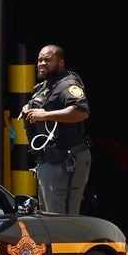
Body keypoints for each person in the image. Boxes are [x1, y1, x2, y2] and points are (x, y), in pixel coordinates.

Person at [22, 45, 91, 215]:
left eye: (47, 59)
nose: (42, 63)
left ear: (60, 63)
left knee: (63, 222)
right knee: (50, 220)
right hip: (49, 162)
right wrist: (29, 109)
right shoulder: (46, 86)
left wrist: (45, 115)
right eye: (39, 60)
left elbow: (81, 111)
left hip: (66, 161)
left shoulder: (68, 84)